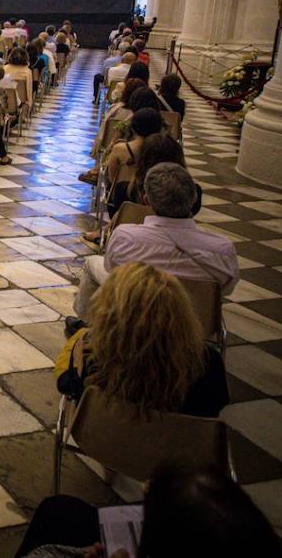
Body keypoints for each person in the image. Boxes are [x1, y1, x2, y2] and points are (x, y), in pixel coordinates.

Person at [59, 263, 229, 418]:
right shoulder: (208, 365)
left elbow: (65, 384)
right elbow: (216, 404)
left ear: (108, 314)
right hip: (180, 447)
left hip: (104, 441)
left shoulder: (92, 356)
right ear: (182, 313)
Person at [75, 164, 238, 319]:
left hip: (134, 316)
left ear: (146, 200)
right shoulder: (222, 249)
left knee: (92, 263)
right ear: (194, 198)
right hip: (194, 323)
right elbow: (225, 290)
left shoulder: (125, 236)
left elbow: (112, 271)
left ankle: (88, 329)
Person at [15, 464, 278, 558]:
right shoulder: (207, 365)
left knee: (58, 511)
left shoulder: (100, 353)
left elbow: (67, 380)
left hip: (105, 437)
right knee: (60, 509)